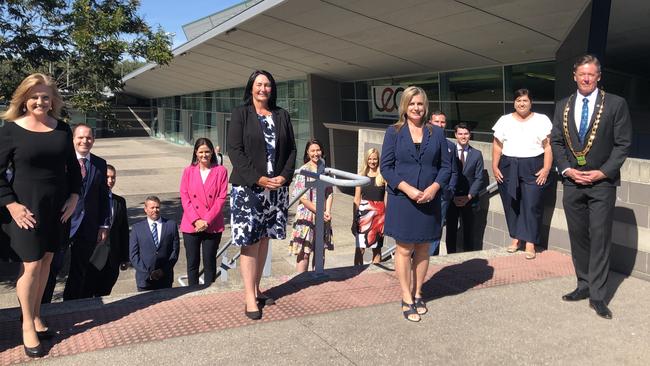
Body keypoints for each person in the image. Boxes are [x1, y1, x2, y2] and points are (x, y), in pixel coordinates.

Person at [0, 73, 81, 357]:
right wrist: (11, 204)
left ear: (53, 100)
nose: (40, 101)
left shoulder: (62, 129)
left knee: (47, 261)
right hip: (25, 209)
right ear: (24, 99)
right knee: (31, 265)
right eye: (34, 96)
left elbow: (73, 169)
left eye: (45, 96)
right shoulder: (10, 129)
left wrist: (74, 197)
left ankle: (35, 315)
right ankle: (26, 326)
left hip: (57, 208)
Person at [551, 54, 632, 319]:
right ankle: (583, 284)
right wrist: (566, 169)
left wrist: (602, 172)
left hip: (602, 184)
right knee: (578, 236)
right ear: (574, 76)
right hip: (572, 182)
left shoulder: (616, 104)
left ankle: (598, 295)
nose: (586, 78)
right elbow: (557, 142)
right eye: (582, 74)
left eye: (591, 74)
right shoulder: (563, 105)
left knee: (599, 236)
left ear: (599, 76)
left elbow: (623, 144)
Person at [227, 70, 296, 320]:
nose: (263, 89)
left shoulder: (281, 115)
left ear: (272, 89)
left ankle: (257, 289)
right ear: (251, 88)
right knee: (250, 242)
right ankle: (248, 297)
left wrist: (284, 176)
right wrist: (257, 178)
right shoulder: (241, 114)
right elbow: (234, 150)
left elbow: (291, 150)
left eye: (267, 85)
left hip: (275, 189)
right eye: (259, 85)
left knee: (265, 238)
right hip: (248, 190)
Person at [380, 86, 451, 322]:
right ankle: (406, 296)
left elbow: (446, 167)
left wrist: (433, 188)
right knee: (404, 249)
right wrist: (408, 189)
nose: (416, 108)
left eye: (420, 103)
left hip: (429, 199)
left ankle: (419, 292)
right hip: (403, 199)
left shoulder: (437, 133)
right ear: (404, 106)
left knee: (423, 248)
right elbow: (386, 168)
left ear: (425, 105)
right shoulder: (394, 132)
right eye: (412, 103)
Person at [44, 123, 111, 302]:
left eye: (88, 137)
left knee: (79, 270)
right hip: (61, 224)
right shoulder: (61, 162)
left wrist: (104, 224)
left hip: (88, 226)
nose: (85, 141)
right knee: (51, 268)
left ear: (94, 140)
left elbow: (104, 197)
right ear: (72, 139)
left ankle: (71, 306)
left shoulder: (100, 164)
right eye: (80, 137)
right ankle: (43, 307)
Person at [492, 89, 553, 260]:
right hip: (508, 165)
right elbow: (497, 145)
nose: (521, 103)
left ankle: (530, 242)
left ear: (531, 102)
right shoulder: (504, 120)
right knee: (512, 202)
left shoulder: (542, 120)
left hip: (534, 165)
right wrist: (495, 166)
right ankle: (516, 239)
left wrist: (547, 168)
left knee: (532, 204)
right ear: (514, 102)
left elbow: (548, 146)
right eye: (518, 100)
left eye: (525, 100)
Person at [179, 138, 228, 286]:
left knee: (210, 262)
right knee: (192, 263)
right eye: (201, 152)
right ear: (195, 153)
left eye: (207, 151)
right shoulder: (188, 171)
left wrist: (206, 220)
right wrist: (196, 220)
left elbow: (221, 198)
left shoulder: (221, 171)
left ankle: (208, 291)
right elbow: (184, 196)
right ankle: (192, 291)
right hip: (191, 223)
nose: (204, 155)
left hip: (212, 224)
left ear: (212, 152)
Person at [84, 164, 129, 297]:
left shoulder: (120, 202)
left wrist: (124, 257)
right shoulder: (91, 199)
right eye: (107, 177)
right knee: (87, 294)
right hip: (93, 258)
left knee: (105, 294)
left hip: (112, 259)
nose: (110, 181)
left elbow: (123, 230)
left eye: (113, 178)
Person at [289, 139, 334, 272]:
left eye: (318, 150)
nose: (316, 153)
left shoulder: (325, 170)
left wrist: (327, 211)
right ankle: (301, 281)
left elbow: (330, 193)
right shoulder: (304, 171)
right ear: (308, 152)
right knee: (305, 251)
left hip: (323, 215)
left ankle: (317, 280)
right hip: (307, 215)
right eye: (313, 150)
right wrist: (318, 211)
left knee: (320, 251)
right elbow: (301, 197)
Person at [445, 123, 484, 253]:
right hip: (451, 198)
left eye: (466, 134)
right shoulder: (449, 151)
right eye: (460, 134)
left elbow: (479, 178)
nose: (463, 136)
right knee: (451, 230)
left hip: (469, 199)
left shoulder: (477, 154)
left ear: (470, 135)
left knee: (469, 231)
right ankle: (450, 257)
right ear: (455, 135)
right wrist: (452, 195)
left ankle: (468, 259)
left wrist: (469, 196)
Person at [129, 196, 180, 291]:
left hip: (165, 278)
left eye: (157, 207)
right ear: (145, 209)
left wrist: (163, 271)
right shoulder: (137, 228)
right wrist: (148, 274)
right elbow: (133, 255)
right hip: (145, 280)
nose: (155, 210)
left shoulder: (171, 225)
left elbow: (175, 251)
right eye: (152, 207)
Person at [428, 111, 457, 256]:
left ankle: (431, 258)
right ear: (430, 123)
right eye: (436, 121)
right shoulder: (423, 142)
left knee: (437, 227)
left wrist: (450, 189)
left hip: (443, 195)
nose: (440, 124)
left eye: (443, 122)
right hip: (425, 192)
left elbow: (453, 171)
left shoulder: (451, 146)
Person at [352, 148, 386, 265]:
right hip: (363, 216)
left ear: (378, 160)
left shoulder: (383, 176)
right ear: (366, 160)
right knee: (359, 249)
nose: (372, 161)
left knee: (376, 249)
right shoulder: (361, 176)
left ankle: (376, 276)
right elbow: (356, 199)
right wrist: (354, 219)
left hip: (379, 217)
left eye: (375, 159)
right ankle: (357, 275)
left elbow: (387, 199)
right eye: (370, 159)